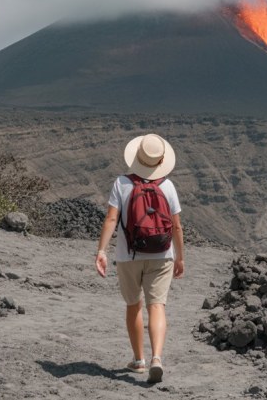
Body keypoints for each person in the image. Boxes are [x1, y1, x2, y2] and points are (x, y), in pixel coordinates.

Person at [95, 133, 185, 384]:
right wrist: (180, 257)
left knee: (134, 305)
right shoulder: (168, 186)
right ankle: (157, 357)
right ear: (161, 161)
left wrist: (101, 251)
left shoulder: (121, 183)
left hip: (128, 256)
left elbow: (111, 219)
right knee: (157, 306)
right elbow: (177, 226)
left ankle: (138, 360)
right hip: (162, 255)